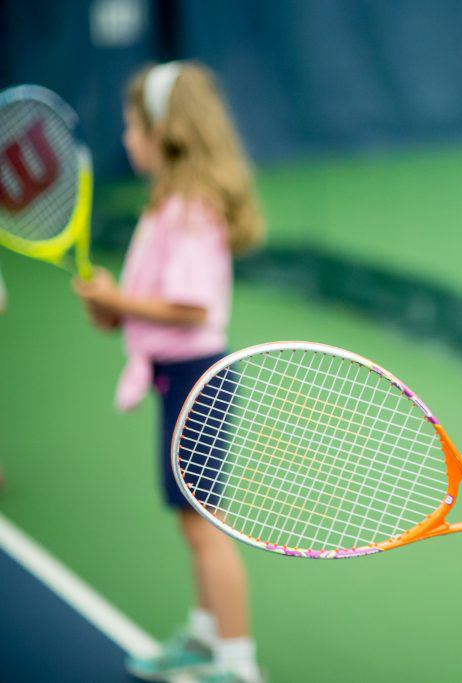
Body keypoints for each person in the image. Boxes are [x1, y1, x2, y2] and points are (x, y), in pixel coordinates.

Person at [74, 61, 265, 683]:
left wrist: (117, 302)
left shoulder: (188, 209)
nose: (126, 135)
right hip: (174, 377)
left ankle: (237, 664)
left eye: (133, 123)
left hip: (195, 380)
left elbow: (191, 306)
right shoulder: (169, 205)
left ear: (168, 130)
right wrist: (112, 310)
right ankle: (207, 636)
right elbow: (148, 306)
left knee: (204, 525)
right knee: (193, 522)